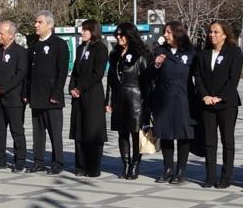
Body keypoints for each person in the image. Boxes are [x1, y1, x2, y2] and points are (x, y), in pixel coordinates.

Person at [194, 21, 243, 189]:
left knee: (227, 141)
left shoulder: (234, 52)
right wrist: (205, 95)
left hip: (227, 104)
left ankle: (226, 176)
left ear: (224, 34)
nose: (212, 35)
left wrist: (219, 97)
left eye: (216, 32)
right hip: (207, 104)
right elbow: (198, 77)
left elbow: (233, 79)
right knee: (209, 141)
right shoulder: (203, 54)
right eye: (210, 32)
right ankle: (210, 176)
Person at [150, 21, 198, 184]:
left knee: (183, 134)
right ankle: (168, 168)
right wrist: (156, 64)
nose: (165, 35)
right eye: (165, 32)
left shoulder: (191, 52)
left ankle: (181, 171)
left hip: (184, 98)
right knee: (166, 134)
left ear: (178, 33)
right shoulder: (160, 51)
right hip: (164, 98)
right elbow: (150, 75)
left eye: (168, 32)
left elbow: (197, 75)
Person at [26, 10, 70, 174]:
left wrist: (56, 93)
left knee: (54, 132)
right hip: (36, 96)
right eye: (36, 22)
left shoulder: (59, 44)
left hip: (52, 97)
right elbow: (29, 73)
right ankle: (38, 161)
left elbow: (62, 71)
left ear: (50, 24)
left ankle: (57, 162)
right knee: (38, 133)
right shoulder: (34, 46)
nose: (36, 25)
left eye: (40, 22)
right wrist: (27, 93)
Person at [106, 22, 151, 180]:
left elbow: (147, 81)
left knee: (135, 133)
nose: (118, 37)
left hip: (136, 98)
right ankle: (125, 163)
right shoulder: (114, 54)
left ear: (130, 35)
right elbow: (110, 80)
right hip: (119, 98)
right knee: (121, 133)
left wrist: (148, 104)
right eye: (117, 35)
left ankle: (135, 164)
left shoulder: (141, 54)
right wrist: (108, 101)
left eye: (122, 35)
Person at [69, 19, 110, 178]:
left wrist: (81, 88)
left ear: (92, 31)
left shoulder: (100, 49)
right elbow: (74, 72)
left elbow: (97, 74)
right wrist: (72, 87)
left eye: (85, 30)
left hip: (92, 95)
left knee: (92, 131)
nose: (81, 33)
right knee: (79, 130)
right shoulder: (80, 48)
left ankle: (93, 167)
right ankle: (80, 166)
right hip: (78, 96)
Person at [0, 20, 28, 171]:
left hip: (14, 99)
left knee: (17, 132)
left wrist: (3, 88)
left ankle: (20, 161)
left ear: (11, 35)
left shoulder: (21, 52)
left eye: (1, 33)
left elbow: (20, 74)